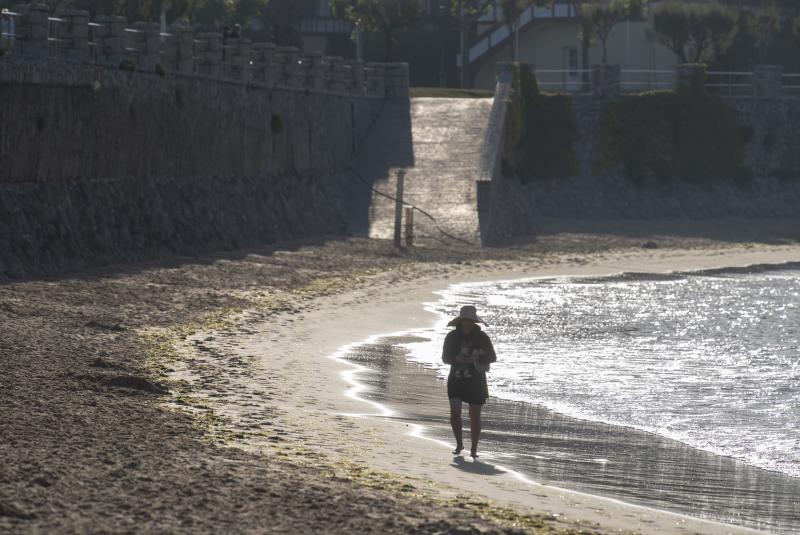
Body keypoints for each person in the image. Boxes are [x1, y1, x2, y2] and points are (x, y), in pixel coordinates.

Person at [441, 305, 496, 459]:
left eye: (471, 320)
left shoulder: (482, 337)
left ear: (475, 322)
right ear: (461, 321)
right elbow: (445, 358)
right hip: (456, 380)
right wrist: (456, 359)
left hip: (476, 381)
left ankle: (473, 449)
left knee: (475, 416)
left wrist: (477, 358)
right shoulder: (452, 337)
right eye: (466, 320)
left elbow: (493, 357)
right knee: (454, 413)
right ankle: (459, 444)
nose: (469, 323)